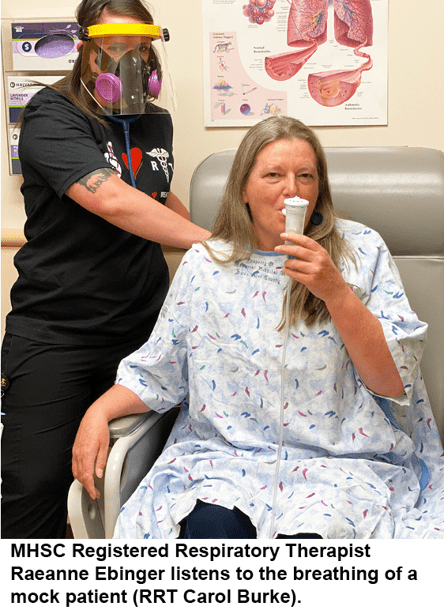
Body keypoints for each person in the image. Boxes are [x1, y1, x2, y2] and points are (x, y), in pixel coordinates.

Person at [72, 116, 444, 539]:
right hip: (224, 464)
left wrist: (336, 293)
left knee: (315, 544)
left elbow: (392, 382)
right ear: (243, 189)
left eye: (306, 176)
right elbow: (159, 372)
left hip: (339, 468)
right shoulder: (206, 264)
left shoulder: (362, 252)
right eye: (273, 175)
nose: (292, 189)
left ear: (319, 188)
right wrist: (97, 411)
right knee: (209, 532)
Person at [1, 0, 211, 539]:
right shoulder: (49, 115)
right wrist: (214, 243)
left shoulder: (156, 121)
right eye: (115, 45)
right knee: (34, 488)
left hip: (142, 332)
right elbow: (112, 199)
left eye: (142, 46)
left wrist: (225, 250)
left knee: (141, 481)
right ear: (86, 51)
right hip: (58, 331)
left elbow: (156, 200)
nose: (132, 59)